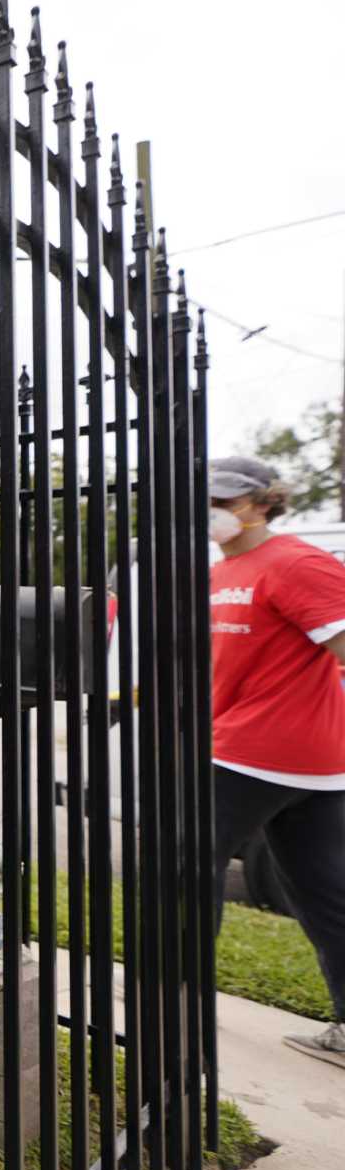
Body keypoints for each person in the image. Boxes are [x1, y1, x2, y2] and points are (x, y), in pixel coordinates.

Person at [205, 454, 345, 1068]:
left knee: (182, 869)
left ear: (265, 501)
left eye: (223, 502)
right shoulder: (225, 571)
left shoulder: (296, 561)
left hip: (257, 751)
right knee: (325, 892)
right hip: (287, 756)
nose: (210, 513)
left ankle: (179, 1004)